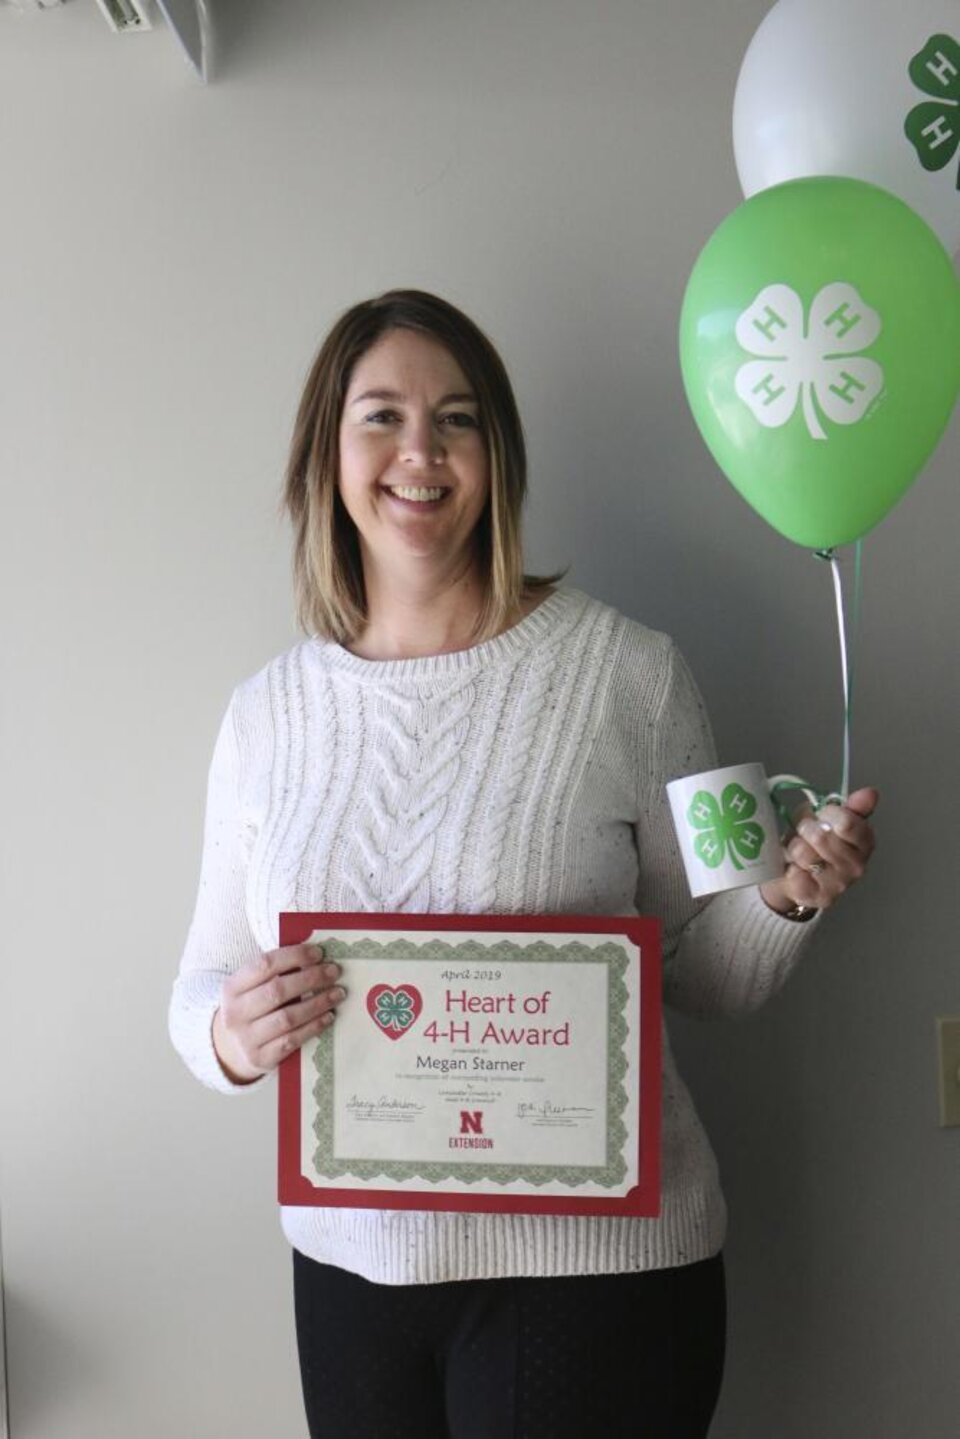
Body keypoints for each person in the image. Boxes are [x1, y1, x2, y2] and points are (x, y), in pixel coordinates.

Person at [169, 289, 877, 1439]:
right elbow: (198, 984)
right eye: (382, 416)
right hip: (351, 1283)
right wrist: (229, 1035)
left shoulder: (636, 674)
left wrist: (787, 896)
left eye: (457, 419)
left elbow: (707, 973)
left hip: (599, 1283)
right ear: (326, 451)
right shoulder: (266, 715)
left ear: (498, 454)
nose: (420, 452)